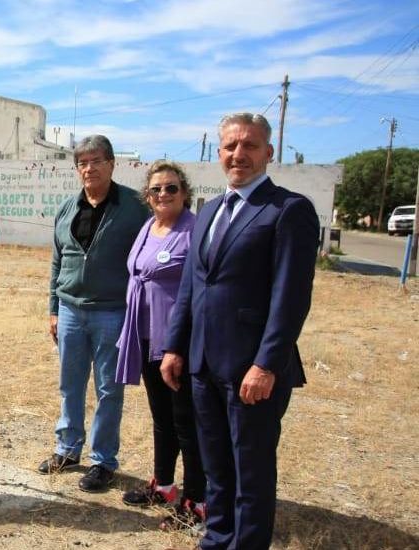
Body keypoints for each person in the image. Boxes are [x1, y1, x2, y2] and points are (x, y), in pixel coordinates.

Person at [163, 112, 319, 549]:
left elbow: (290, 298)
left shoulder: (289, 210)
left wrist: (267, 363)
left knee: (250, 469)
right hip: (203, 364)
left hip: (252, 369)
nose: (239, 154)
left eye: (250, 146)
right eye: (231, 146)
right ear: (219, 153)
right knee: (216, 467)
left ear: (269, 153)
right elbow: (192, 287)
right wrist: (175, 347)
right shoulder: (209, 210)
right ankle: (217, 539)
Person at [41, 135, 150, 492]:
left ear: (112, 163)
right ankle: (67, 449)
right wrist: (54, 309)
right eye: (82, 163)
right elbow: (59, 260)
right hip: (71, 311)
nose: (89, 169)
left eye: (96, 161)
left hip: (113, 312)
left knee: (109, 389)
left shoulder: (134, 207)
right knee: (69, 385)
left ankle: (103, 461)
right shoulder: (68, 208)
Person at [114, 161, 205, 529]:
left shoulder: (195, 231)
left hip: (177, 343)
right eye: (156, 189)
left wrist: (179, 345)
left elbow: (200, 291)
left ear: (185, 192)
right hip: (147, 338)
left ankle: (197, 501)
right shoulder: (148, 227)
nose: (163, 194)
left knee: (188, 424)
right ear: (147, 197)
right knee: (162, 420)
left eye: (171, 188)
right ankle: (164, 485)